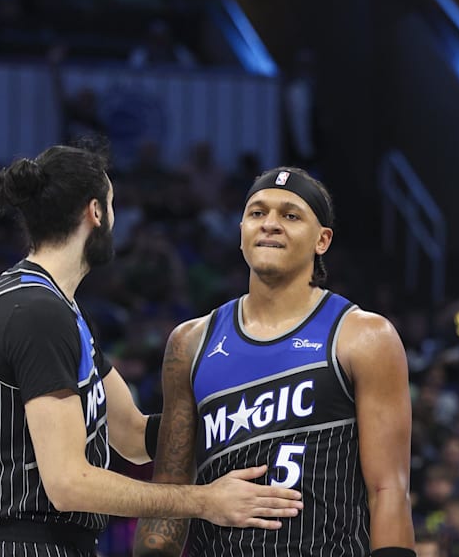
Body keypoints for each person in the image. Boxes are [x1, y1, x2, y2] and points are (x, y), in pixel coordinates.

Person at [0, 143, 302, 557]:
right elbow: (69, 482)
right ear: (96, 213)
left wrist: (244, 416)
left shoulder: (61, 311)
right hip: (23, 545)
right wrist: (204, 500)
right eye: (112, 204)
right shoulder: (36, 311)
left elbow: (133, 436)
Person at [133, 167, 415, 556]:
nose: (270, 225)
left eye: (290, 215)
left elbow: (388, 491)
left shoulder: (365, 336)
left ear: (322, 240)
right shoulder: (190, 342)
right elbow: (168, 490)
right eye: (257, 213)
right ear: (241, 231)